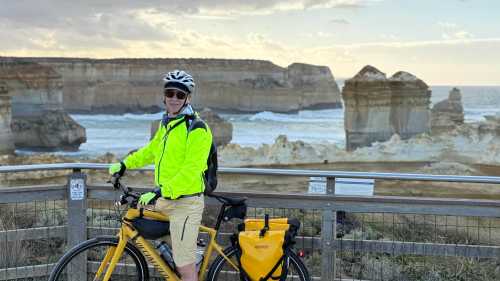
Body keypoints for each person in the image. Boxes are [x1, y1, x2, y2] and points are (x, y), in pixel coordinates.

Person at [109, 70, 212, 281]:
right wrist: (124, 164)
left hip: (186, 203)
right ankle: (184, 250)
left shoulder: (197, 129)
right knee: (136, 211)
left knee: (184, 268)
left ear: (188, 98)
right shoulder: (166, 124)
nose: (174, 98)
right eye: (170, 93)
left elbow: (191, 170)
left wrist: (159, 191)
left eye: (180, 95)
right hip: (166, 199)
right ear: (164, 96)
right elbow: (150, 151)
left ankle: (188, 261)